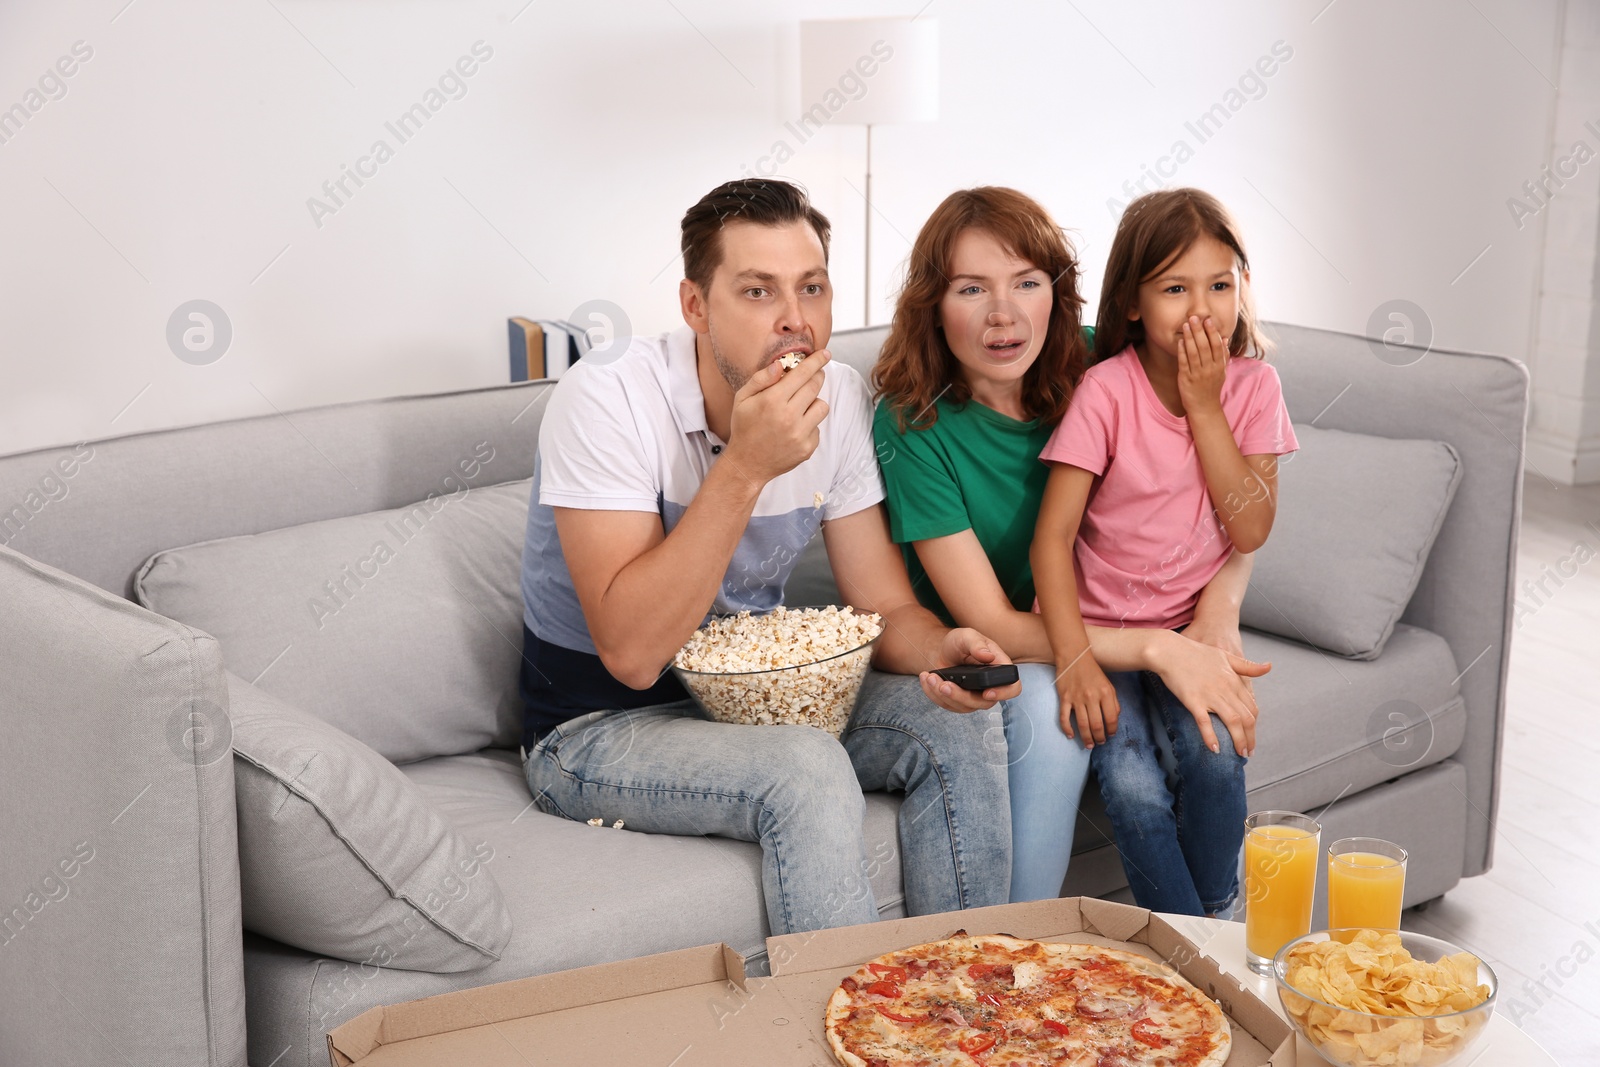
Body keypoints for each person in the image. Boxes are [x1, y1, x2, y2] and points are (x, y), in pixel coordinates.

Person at [518, 178, 1025, 937]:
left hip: (761, 703)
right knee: (805, 767)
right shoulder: (606, 398)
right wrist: (746, 466)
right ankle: (859, 1036)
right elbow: (630, 653)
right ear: (695, 305)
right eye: (758, 292)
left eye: (812, 288)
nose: (795, 322)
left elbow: (884, 611)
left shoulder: (841, 400)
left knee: (957, 724)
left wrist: (941, 647)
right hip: (596, 727)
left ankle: (963, 1011)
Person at [872, 186, 1271, 904]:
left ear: (1058, 295)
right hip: (1000, 646)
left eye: (1027, 283)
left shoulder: (1102, 363)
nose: (1004, 314)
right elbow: (995, 624)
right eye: (971, 288)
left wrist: (1220, 607)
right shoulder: (912, 424)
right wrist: (1155, 645)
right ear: (934, 302)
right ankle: (1019, 951)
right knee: (1058, 733)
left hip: (1106, 621)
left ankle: (1206, 936)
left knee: (1188, 752)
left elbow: (1228, 493)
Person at [1032, 187, 1299, 916]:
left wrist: (1206, 405)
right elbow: (1051, 538)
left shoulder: (1254, 389)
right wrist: (1075, 655)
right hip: (1106, 633)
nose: (1203, 308)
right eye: (1176, 288)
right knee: (1133, 785)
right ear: (1131, 304)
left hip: (1187, 628)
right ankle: (1188, 946)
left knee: (1218, 757)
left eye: (1221, 284)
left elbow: (1249, 530)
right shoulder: (1105, 391)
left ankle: (1208, 924)